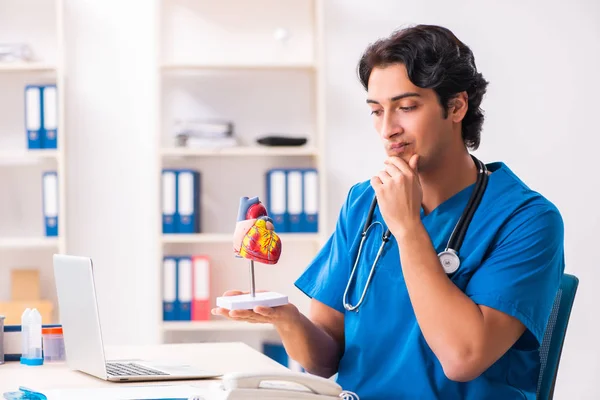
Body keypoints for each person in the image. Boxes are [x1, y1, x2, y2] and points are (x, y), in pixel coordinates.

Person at [212, 24, 564, 400]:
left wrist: (408, 228)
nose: (387, 129)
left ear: (457, 106)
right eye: (377, 111)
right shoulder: (364, 202)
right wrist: (284, 317)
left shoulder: (526, 218)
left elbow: (463, 359)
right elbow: (324, 358)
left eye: (407, 107)